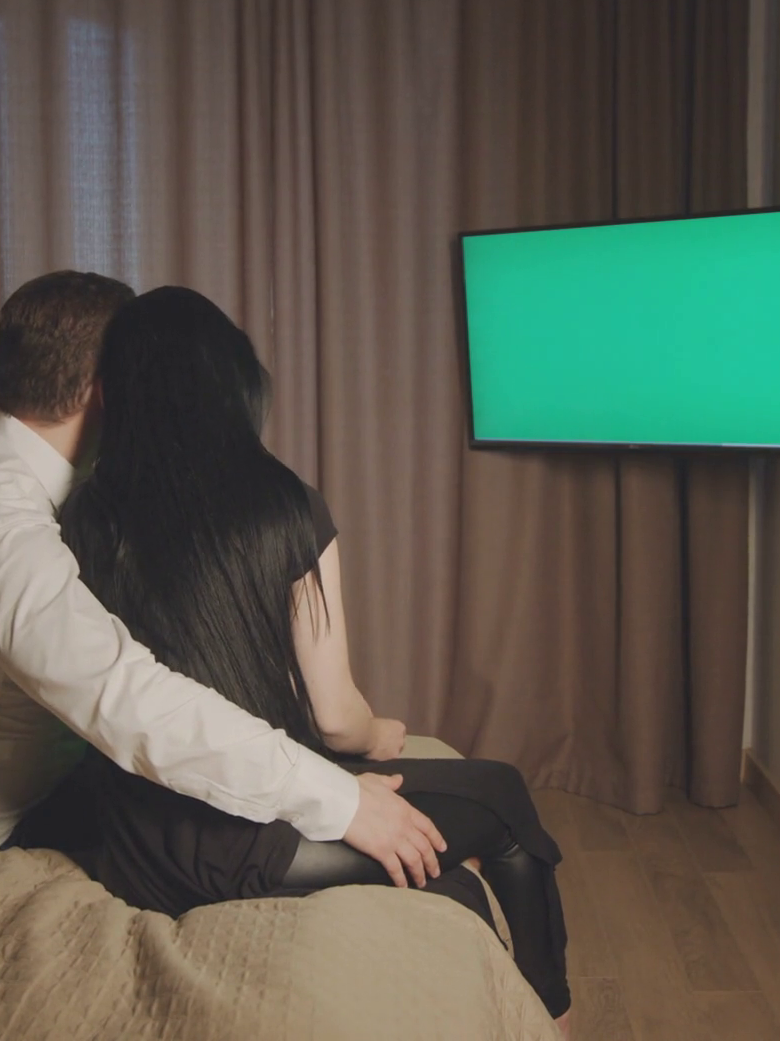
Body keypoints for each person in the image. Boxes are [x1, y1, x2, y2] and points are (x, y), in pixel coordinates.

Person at [39, 285, 572, 1025]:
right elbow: (335, 719)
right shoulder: (282, 504)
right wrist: (378, 735)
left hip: (134, 845)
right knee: (505, 801)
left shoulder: (82, 516)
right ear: (231, 385)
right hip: (250, 844)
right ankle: (555, 1017)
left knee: (449, 881)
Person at [0, 271, 447, 892]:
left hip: (34, 786)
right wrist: (339, 800)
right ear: (107, 389)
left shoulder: (2, 463)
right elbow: (122, 695)